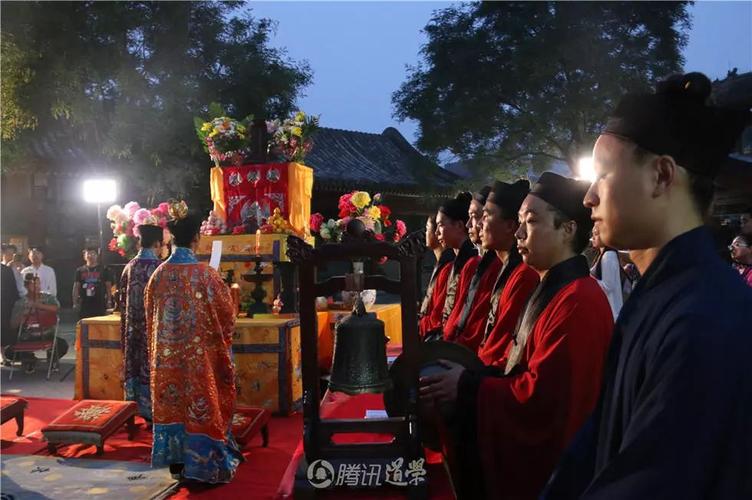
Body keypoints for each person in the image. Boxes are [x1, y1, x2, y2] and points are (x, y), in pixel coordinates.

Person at [544, 73, 752, 499]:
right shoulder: (663, 293)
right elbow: (599, 438)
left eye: (602, 175)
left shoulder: (704, 319)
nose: (588, 199)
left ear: (661, 175)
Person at [420, 172, 613, 499]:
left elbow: (542, 399)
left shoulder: (579, 299)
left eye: (532, 222)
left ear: (568, 229)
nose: (520, 232)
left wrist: (468, 385)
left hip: (557, 469)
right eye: (520, 221)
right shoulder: (553, 288)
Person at [146, 202, 240, 483]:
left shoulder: (158, 275)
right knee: (203, 404)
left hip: (167, 360)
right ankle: (205, 465)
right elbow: (226, 319)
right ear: (196, 238)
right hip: (200, 362)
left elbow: (151, 320)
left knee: (171, 405)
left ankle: (176, 463)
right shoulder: (207, 275)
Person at [476, 180, 540, 366]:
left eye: (486, 216)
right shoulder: (507, 270)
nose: (479, 224)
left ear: (510, 226)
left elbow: (502, 344)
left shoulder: (524, 276)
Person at [443, 187, 503, 350]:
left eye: (477, 216)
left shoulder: (493, 266)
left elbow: (480, 323)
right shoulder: (480, 264)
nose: (471, 224)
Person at [120, 224, 163, 420]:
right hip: (152, 331)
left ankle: (132, 407)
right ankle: (154, 410)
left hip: (132, 329)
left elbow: (120, 302)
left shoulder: (129, 267)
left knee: (134, 365)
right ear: (157, 243)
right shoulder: (159, 268)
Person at [427, 192, 476, 340]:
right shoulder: (453, 266)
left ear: (460, 225)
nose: (436, 232)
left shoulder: (471, 264)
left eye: (441, 225)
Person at [7, 274, 62, 373]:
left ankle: (52, 360)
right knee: (9, 351)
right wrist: (23, 315)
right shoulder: (20, 302)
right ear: (26, 286)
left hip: (46, 332)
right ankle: (30, 360)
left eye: (38, 284)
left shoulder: (48, 297)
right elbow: (13, 325)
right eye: (33, 284)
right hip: (28, 335)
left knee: (61, 345)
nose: (37, 286)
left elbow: (56, 309)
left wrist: (38, 305)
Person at [418, 215, 454, 338]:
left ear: (438, 233)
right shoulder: (442, 265)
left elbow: (437, 317)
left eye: (427, 228)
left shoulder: (447, 269)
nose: (425, 233)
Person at [589, 227, 627, 319]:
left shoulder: (608, 256)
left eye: (596, 234)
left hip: (612, 311)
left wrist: (588, 278)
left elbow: (608, 286)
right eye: (593, 234)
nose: (593, 237)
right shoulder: (602, 255)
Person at [73, 247, 112, 320]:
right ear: (85, 256)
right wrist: (75, 302)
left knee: (99, 324)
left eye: (93, 253)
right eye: (88, 254)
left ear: (97, 255)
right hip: (85, 303)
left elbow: (108, 287)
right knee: (85, 326)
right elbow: (76, 287)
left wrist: (109, 301)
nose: (90, 256)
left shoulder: (104, 269)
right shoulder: (80, 270)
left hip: (100, 303)